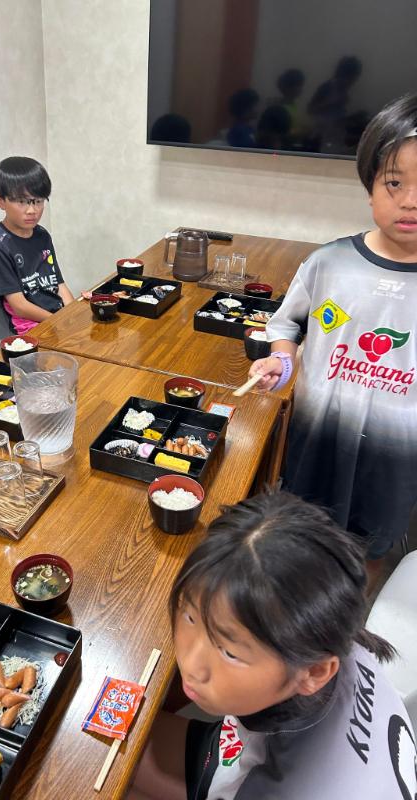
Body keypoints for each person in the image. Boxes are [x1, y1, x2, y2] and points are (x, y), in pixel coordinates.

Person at [129, 492, 416, 800]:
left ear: (316, 672)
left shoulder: (297, 790)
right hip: (242, 747)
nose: (191, 665)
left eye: (230, 652)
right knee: (124, 743)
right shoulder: (322, 627)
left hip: (258, 776)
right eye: (190, 615)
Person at [248, 93, 417, 574]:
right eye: (394, 182)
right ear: (370, 186)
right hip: (315, 442)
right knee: (300, 537)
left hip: (393, 462)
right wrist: (282, 362)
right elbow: (287, 324)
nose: (410, 200)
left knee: (364, 555)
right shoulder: (329, 263)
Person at [0, 156, 74, 336]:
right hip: (29, 327)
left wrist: (73, 313)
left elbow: (59, 284)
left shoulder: (42, 235)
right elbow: (19, 306)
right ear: (0, 201)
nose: (32, 210)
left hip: (55, 316)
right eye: (22, 201)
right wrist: (58, 322)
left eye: (38, 201)